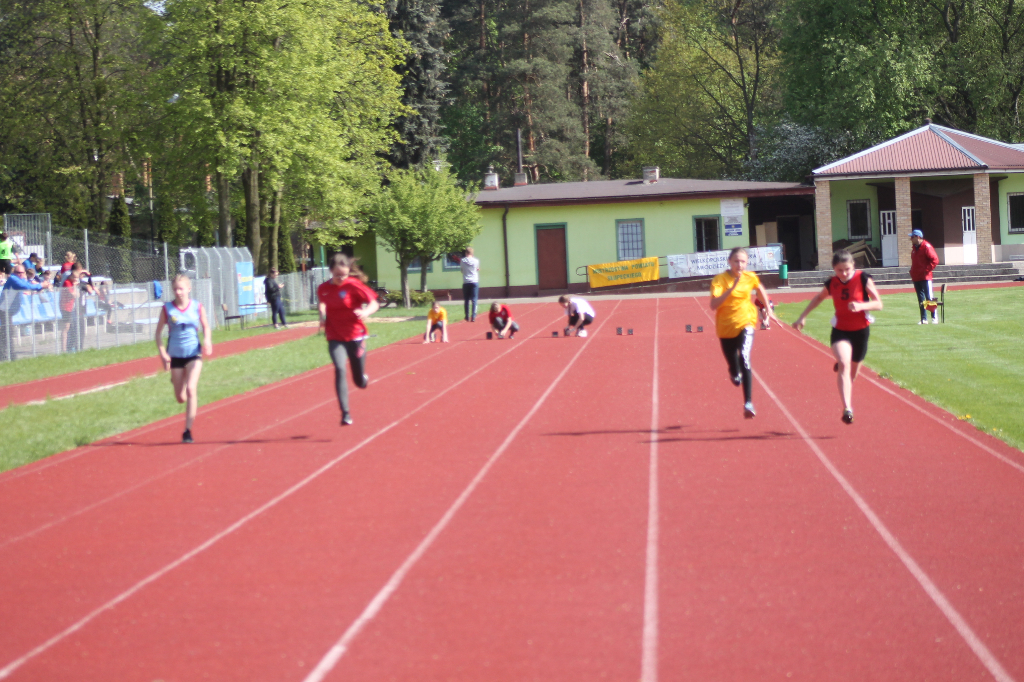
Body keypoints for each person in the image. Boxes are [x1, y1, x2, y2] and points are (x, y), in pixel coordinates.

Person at [793, 249, 884, 424]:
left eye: (847, 269)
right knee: (843, 363)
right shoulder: (832, 283)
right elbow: (819, 298)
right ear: (834, 269)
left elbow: (878, 304)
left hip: (861, 331)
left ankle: (845, 372)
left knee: (852, 375)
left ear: (853, 266)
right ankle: (847, 408)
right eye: (839, 270)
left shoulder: (863, 278)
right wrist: (802, 316)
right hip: (840, 330)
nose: (844, 273)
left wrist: (861, 306)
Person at [709, 247, 780, 419]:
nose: (739, 265)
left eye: (743, 262)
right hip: (725, 328)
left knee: (744, 357)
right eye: (736, 261)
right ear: (729, 262)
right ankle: (734, 372)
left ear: (747, 263)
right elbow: (713, 305)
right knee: (734, 366)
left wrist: (769, 309)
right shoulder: (720, 280)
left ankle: (748, 403)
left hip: (746, 322)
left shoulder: (750, 277)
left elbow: (760, 288)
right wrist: (731, 289)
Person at [317, 253, 379, 425]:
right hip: (335, 335)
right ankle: (345, 413)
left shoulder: (353, 285)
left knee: (358, 381)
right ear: (331, 271)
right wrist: (322, 315)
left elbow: (374, 303)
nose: (341, 278)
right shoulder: (323, 288)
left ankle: (362, 379)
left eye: (344, 274)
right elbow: (322, 303)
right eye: (337, 275)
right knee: (339, 368)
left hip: (356, 335)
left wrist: (366, 312)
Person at [154, 274, 213, 443]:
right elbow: (158, 334)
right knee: (181, 398)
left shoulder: (197, 306)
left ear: (189, 289)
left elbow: (206, 326)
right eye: (175, 289)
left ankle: (188, 431)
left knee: (191, 389)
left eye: (181, 289)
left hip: (194, 354)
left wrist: (207, 340)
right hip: (176, 356)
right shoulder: (167, 309)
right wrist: (163, 353)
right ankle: (180, 380)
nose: (178, 292)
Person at [0, 262, 52, 361]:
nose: (20, 275)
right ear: (14, 273)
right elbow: (24, 286)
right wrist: (41, 285)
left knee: (7, 332)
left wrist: (36, 284)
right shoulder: (13, 279)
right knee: (7, 332)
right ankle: (7, 355)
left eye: (22, 273)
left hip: (8, 310)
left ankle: (7, 355)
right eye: (18, 273)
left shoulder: (21, 279)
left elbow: (27, 284)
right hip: (4, 309)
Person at [909, 229, 939, 324]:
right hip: (916, 277)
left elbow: (935, 260)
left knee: (929, 297)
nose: (911, 239)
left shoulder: (926, 247)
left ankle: (934, 317)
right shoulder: (914, 249)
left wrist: (926, 270)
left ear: (918, 237)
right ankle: (924, 319)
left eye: (912, 237)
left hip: (925, 277)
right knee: (921, 299)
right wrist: (912, 271)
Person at [460, 247, 480, 322]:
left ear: (466, 253)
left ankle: (467, 316)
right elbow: (476, 269)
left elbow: (462, 270)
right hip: (474, 281)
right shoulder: (476, 261)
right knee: (474, 300)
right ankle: (473, 316)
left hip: (466, 281)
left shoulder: (462, 260)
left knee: (466, 300)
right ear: (472, 253)